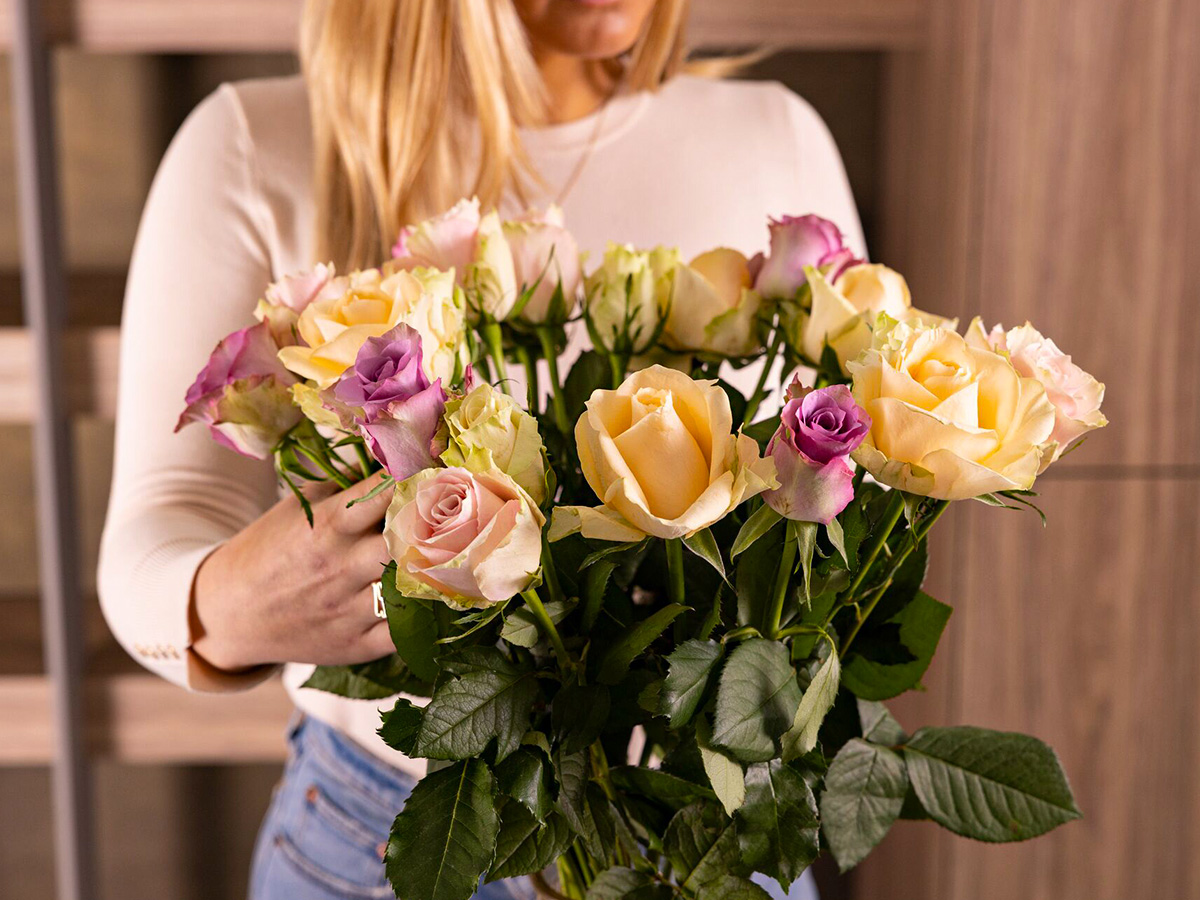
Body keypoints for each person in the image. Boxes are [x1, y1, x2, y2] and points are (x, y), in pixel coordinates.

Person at [98, 1, 864, 897]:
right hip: (384, 840)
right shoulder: (250, 144)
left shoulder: (774, 135)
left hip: (709, 835)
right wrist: (225, 605)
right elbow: (154, 529)